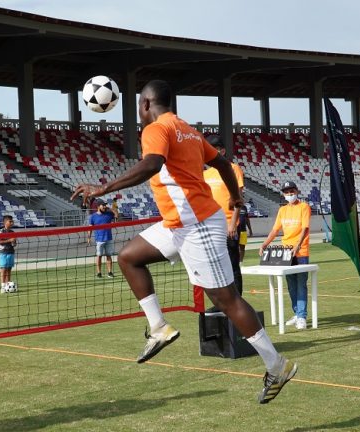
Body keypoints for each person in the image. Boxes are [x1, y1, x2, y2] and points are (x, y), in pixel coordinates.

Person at [70, 80, 296, 404]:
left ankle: (277, 365)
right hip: (178, 224)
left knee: (226, 300)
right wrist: (235, 197)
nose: (138, 112)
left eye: (138, 106)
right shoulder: (188, 130)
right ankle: (158, 327)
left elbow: (152, 164)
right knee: (128, 256)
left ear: (147, 104)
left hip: (198, 225)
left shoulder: (156, 129)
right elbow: (220, 163)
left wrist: (102, 189)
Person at [259, 181, 312, 330]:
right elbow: (275, 230)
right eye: (286, 192)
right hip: (285, 251)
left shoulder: (304, 207)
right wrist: (265, 244)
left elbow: (305, 229)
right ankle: (296, 313)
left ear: (297, 191)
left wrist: (298, 245)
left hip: (300, 251)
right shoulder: (282, 210)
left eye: (291, 191)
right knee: (291, 284)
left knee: (301, 283)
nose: (289, 194)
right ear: (283, 194)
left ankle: (302, 316)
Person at [203, 134, 245, 295]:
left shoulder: (233, 169)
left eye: (214, 149)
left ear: (222, 150)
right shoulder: (205, 174)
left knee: (232, 265)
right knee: (216, 266)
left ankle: (237, 300)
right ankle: (222, 303)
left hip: (228, 225)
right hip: (212, 225)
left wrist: (233, 223)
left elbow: (238, 198)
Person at [88, 199, 116, 278]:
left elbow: (117, 215)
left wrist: (111, 209)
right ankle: (99, 273)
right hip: (99, 240)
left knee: (108, 255)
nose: (104, 206)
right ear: (98, 206)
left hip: (109, 238)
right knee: (99, 256)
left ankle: (110, 272)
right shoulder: (93, 216)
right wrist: (89, 237)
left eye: (105, 205)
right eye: (103, 205)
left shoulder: (109, 214)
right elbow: (90, 228)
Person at [0, 215, 16, 292]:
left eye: (12, 221)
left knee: (9, 269)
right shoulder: (1, 232)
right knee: (3, 269)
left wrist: (14, 242)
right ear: (5, 222)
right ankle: (2, 287)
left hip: (11, 252)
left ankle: (8, 285)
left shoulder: (13, 232)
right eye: (10, 221)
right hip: (3, 253)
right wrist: (10, 240)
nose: (12, 223)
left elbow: (14, 244)